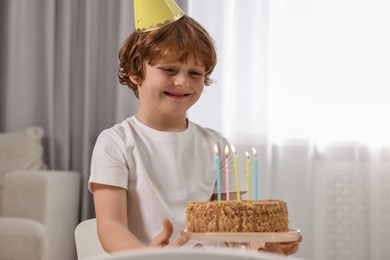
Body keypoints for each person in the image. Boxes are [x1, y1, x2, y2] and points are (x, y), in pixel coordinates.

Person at [88, 0, 301, 255]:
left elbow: (235, 230)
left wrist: (264, 247)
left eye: (195, 73)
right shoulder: (115, 143)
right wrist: (146, 255)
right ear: (136, 72)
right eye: (169, 69)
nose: (182, 82)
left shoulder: (218, 147)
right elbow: (111, 226)